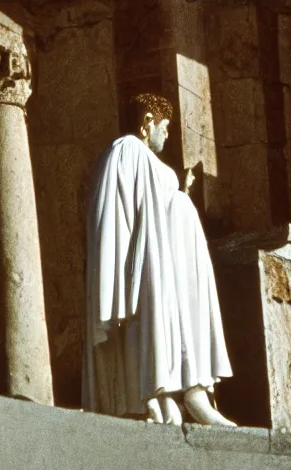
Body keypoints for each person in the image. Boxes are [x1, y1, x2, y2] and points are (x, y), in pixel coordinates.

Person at [83, 93, 234, 426]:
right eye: (165, 127)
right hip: (150, 259)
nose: (167, 135)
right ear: (148, 121)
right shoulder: (128, 148)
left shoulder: (143, 158)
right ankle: (156, 394)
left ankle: (183, 395)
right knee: (152, 322)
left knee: (175, 322)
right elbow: (121, 211)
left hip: (171, 259)